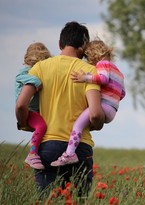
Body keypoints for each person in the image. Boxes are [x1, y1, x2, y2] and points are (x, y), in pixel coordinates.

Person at [15, 21, 105, 197]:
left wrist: (25, 123)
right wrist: (99, 123)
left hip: (47, 146)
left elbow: (20, 105)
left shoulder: (40, 67)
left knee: (48, 200)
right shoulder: (89, 71)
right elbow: (95, 114)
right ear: (84, 47)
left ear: (59, 44)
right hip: (80, 148)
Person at [51, 39, 126, 166]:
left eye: (87, 57)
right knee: (84, 124)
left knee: (78, 125)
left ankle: (69, 154)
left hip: (103, 106)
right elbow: (122, 93)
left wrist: (84, 78)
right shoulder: (118, 72)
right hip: (112, 110)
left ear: (93, 55)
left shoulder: (103, 64)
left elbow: (102, 79)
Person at [15, 42, 51, 170]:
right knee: (41, 126)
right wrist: (37, 81)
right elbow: (20, 78)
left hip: (35, 109)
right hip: (29, 110)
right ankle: (32, 153)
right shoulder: (26, 71)